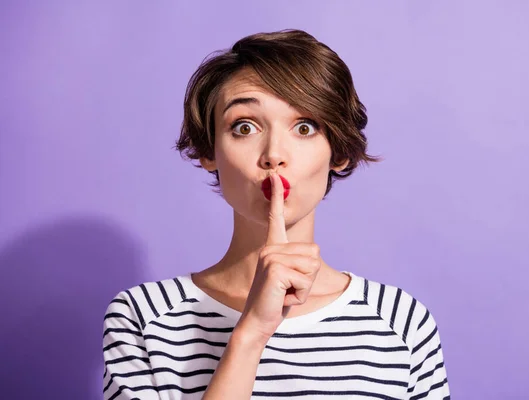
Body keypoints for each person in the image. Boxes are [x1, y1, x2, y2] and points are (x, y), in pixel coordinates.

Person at [102, 29, 451, 400]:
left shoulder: (400, 321)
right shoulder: (144, 318)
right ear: (209, 151)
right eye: (244, 127)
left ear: (339, 152)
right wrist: (251, 332)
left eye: (304, 127)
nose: (273, 154)